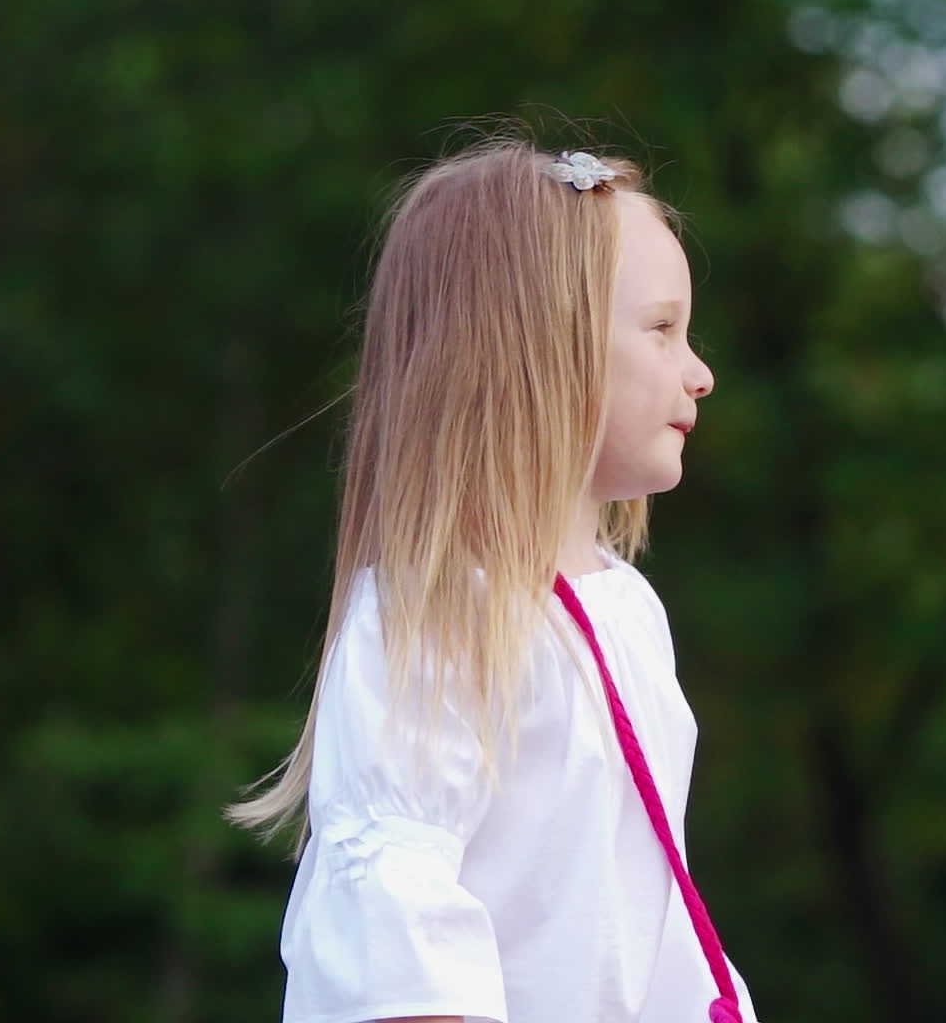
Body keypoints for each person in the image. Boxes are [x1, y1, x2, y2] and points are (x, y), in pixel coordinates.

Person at [227, 136, 758, 1023]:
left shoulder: (627, 611)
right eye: (663, 329)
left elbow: (640, 933)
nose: (699, 373)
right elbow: (399, 951)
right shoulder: (437, 620)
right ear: (540, 348)